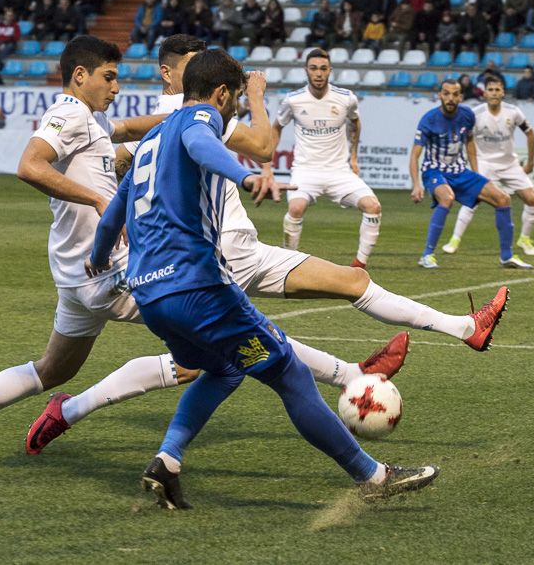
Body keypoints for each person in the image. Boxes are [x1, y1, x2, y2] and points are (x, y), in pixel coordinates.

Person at [26, 35, 510, 454]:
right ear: (174, 73)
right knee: (279, 336)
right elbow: (260, 146)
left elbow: (120, 145)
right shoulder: (199, 114)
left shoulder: (158, 122)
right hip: (224, 255)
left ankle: (76, 416)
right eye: (195, 62)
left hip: (193, 260)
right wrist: (256, 97)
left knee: (206, 363)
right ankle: (395, 366)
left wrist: (100, 156)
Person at [87, 48, 440, 507]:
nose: (233, 107)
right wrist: (244, 175)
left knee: (224, 367)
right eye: (233, 98)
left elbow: (116, 209)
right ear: (219, 94)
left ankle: (167, 462)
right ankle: (373, 476)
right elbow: (201, 143)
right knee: (290, 373)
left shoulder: (151, 140)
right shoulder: (199, 119)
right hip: (199, 288)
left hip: (151, 295)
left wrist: (98, 256)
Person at [0, 36, 176, 469]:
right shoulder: (69, 113)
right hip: (105, 270)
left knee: (51, 370)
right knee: (204, 342)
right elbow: (29, 166)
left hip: (75, 276)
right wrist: (99, 200)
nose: (116, 88)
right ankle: (72, 413)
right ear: (80, 76)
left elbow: (126, 135)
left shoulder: (94, 121)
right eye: (109, 77)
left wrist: (181, 121)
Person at [273, 49, 382, 269]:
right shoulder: (293, 100)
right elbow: (276, 128)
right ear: (306, 71)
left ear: (330, 70)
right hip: (305, 171)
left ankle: (359, 266)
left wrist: (353, 156)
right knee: (295, 209)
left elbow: (356, 123)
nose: (319, 73)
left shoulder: (345, 98)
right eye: (314, 68)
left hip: (338, 172)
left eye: (323, 68)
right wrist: (266, 165)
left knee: (373, 207)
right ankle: (287, 264)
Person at [409, 78, 532, 270]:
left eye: (455, 94)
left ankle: (507, 257)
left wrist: (476, 174)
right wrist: (416, 184)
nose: (451, 98)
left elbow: (470, 143)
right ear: (440, 95)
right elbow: (415, 154)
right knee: (447, 198)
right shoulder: (429, 119)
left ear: (461, 96)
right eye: (447, 94)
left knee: (503, 199)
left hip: (460, 172)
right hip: (434, 171)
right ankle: (427, 255)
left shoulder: (467, 114)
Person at [442, 75, 534, 259]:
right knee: (472, 200)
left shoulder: (514, 112)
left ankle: (525, 239)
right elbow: (466, 139)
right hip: (485, 162)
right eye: (491, 90)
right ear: (484, 93)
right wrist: (473, 166)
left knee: (532, 200)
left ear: (503, 92)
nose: (494, 93)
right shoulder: (475, 114)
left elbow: (531, 134)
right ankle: (454, 240)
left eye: (498, 90)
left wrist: (529, 162)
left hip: (510, 163)